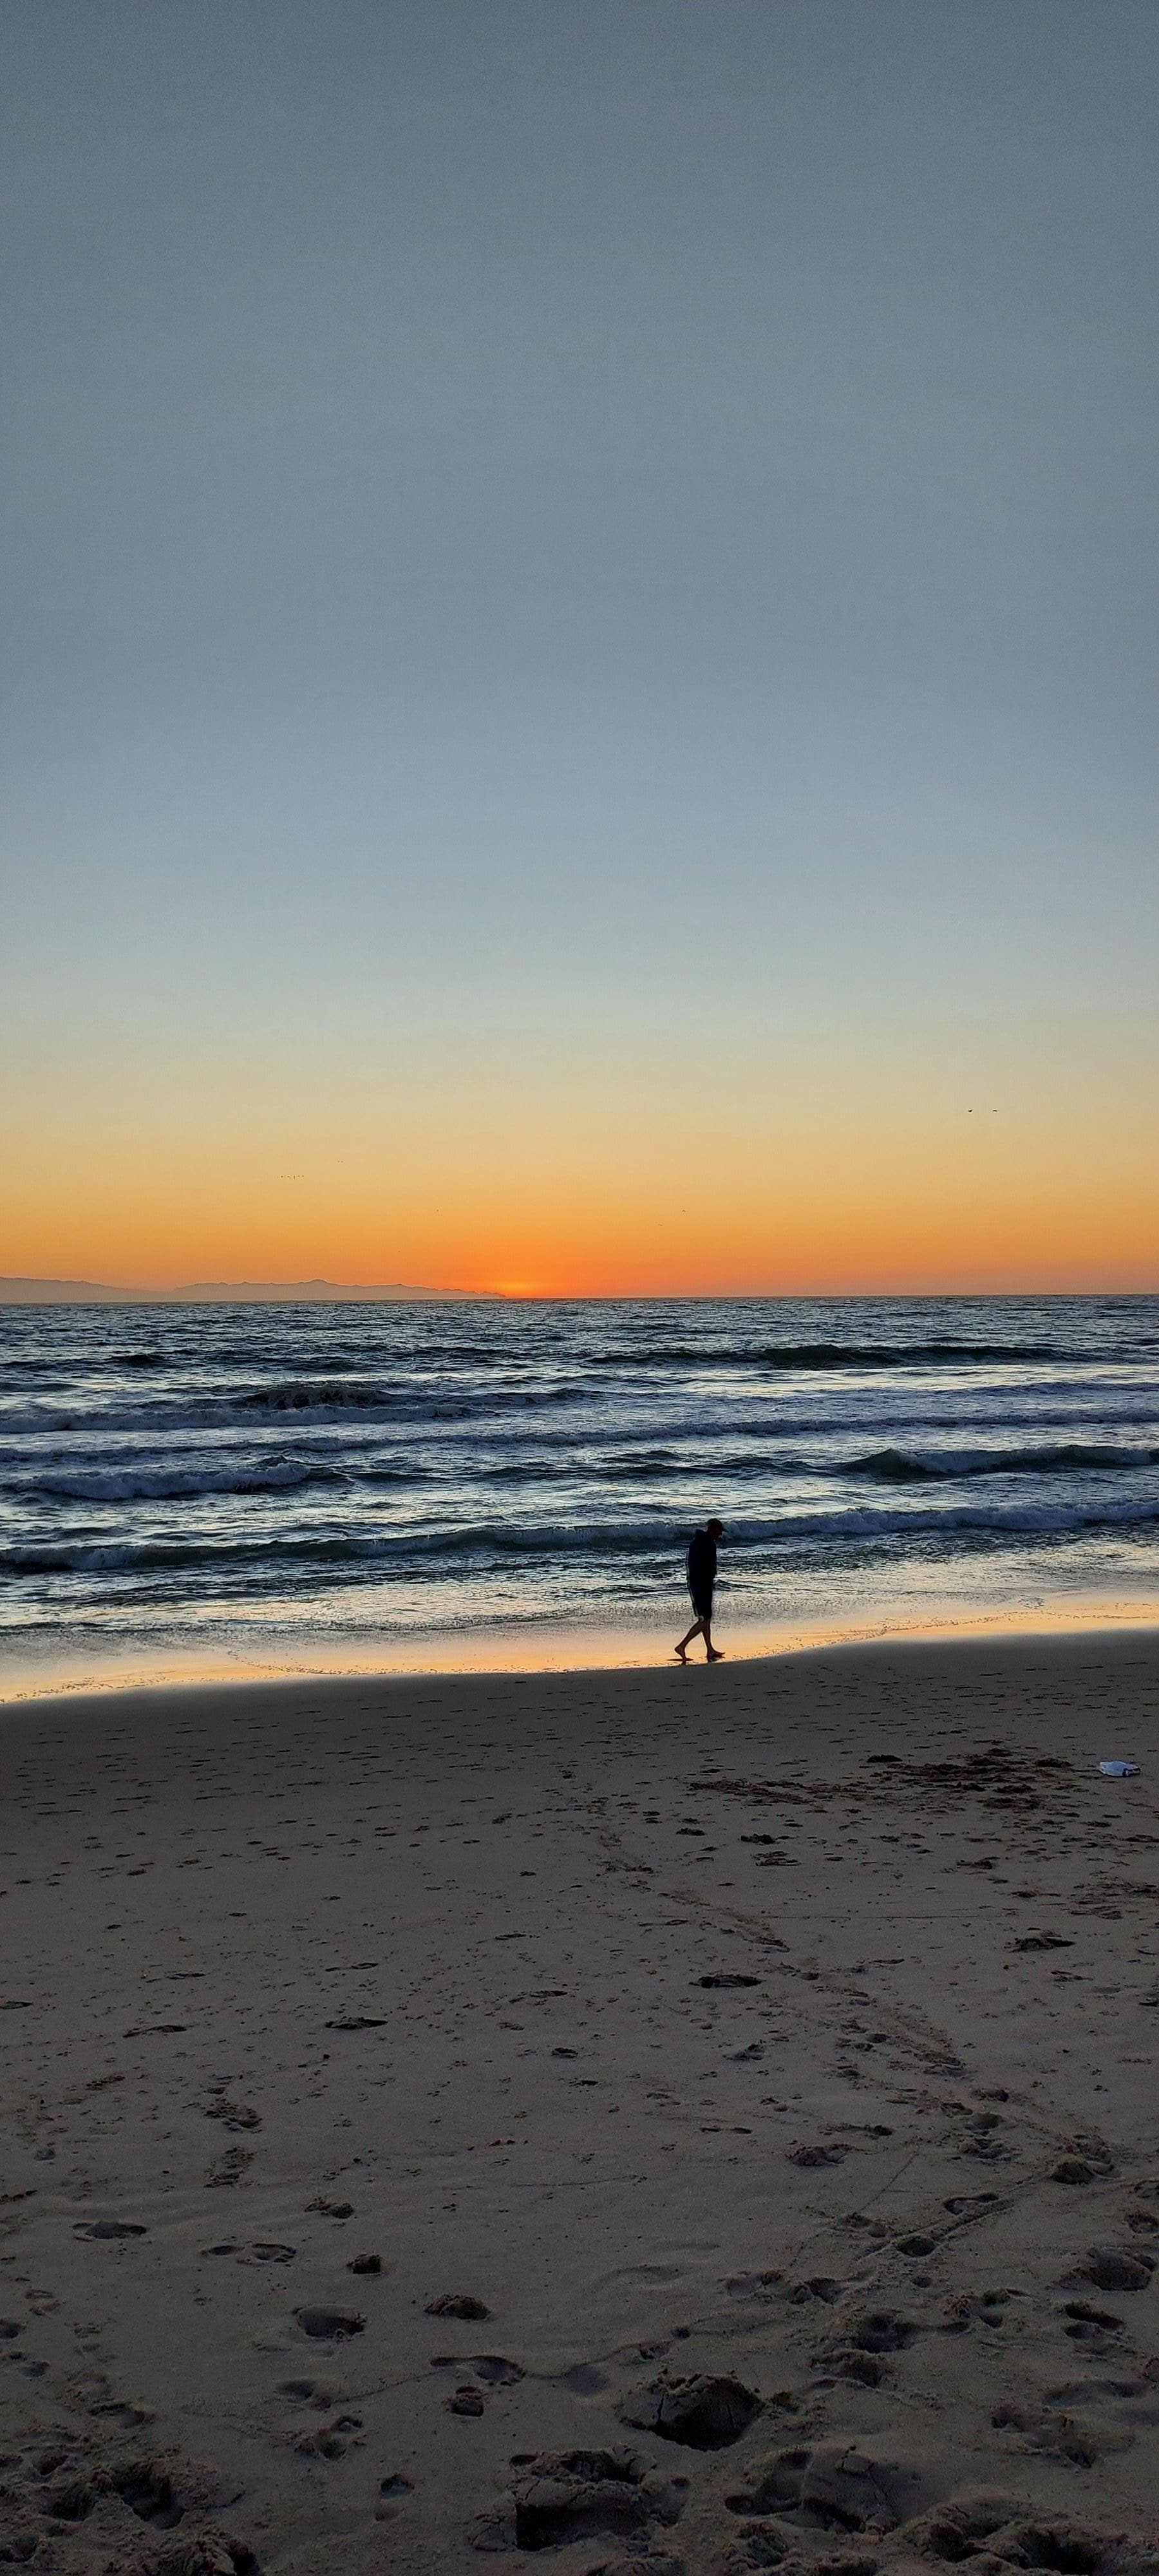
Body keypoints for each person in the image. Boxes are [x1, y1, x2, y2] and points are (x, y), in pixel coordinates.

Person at [675, 1517, 725, 1662]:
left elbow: (692, 1565)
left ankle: (709, 1649)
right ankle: (682, 1646)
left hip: (694, 1583)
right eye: (719, 1531)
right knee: (705, 1618)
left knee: (705, 1617)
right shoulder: (709, 1544)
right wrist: (709, 1581)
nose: (720, 1534)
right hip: (703, 1584)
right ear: (713, 1530)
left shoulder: (696, 1542)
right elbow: (708, 1567)